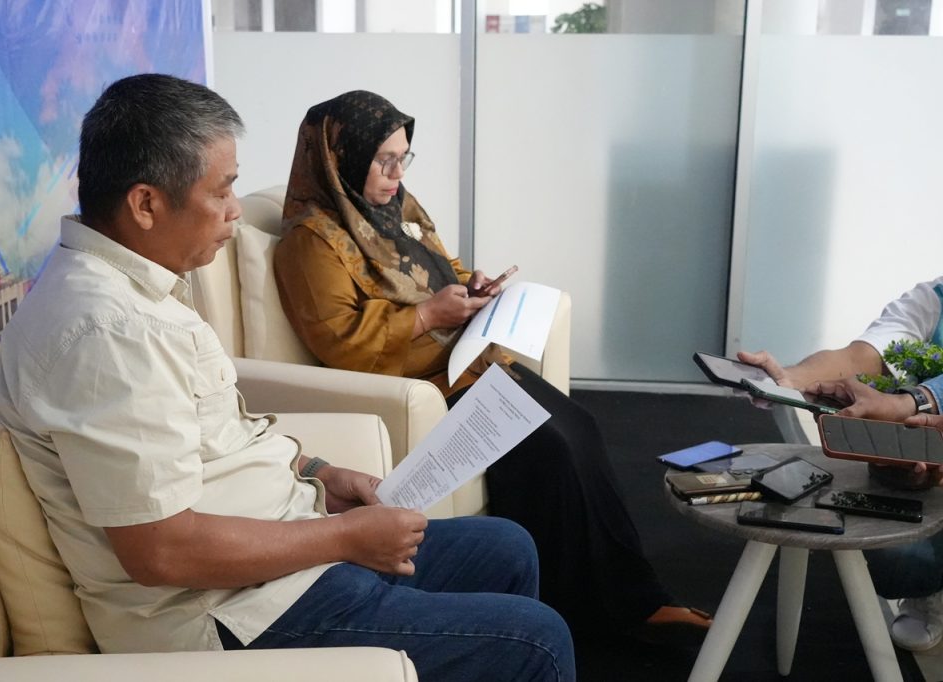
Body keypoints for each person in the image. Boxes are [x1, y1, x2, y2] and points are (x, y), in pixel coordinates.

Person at [0, 74, 576, 682]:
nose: (236, 210)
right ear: (146, 204)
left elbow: (212, 439)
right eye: (222, 190)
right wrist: (345, 538)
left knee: (508, 547)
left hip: (282, 551)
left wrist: (319, 473)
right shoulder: (108, 333)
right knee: (538, 641)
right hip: (230, 614)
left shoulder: (138, 289)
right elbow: (160, 551)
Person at [272, 90, 713, 648]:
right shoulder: (311, 242)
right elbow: (340, 342)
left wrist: (471, 286)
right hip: (422, 385)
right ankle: (590, 611)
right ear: (343, 159)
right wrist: (429, 314)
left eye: (404, 157)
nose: (397, 174)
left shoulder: (395, 206)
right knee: (550, 450)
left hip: (467, 365)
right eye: (383, 160)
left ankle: (636, 596)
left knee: (580, 427)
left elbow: (441, 266)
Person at [740, 275, 943, 651]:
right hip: (924, 467)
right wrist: (793, 379)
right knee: (900, 561)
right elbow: (860, 357)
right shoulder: (934, 298)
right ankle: (928, 588)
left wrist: (909, 401)